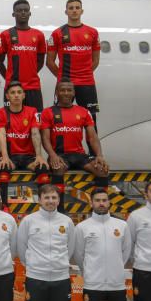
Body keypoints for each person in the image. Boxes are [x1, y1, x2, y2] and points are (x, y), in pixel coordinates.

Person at [40, 80, 109, 208]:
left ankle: (100, 207)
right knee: (58, 168)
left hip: (79, 155)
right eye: (62, 90)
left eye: (69, 90)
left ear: (74, 93)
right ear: (57, 92)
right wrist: (52, 155)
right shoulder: (48, 112)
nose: (66, 93)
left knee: (102, 170)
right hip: (60, 155)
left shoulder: (83, 112)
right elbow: (45, 138)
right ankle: (59, 209)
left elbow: (93, 137)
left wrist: (99, 155)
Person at [0, 82, 49, 203]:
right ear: (7, 96)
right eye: (13, 93)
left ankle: (43, 204)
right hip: (11, 156)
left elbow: (35, 134)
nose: (16, 95)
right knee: (3, 167)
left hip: (29, 157)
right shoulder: (0, 112)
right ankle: (4, 205)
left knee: (42, 167)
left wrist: (39, 156)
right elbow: (1, 135)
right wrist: (4, 156)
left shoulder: (32, 111)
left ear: (24, 95)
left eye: (19, 92)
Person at [47, 0, 100, 120]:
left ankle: (91, 140)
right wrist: (62, 77)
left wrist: (84, 74)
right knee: (60, 120)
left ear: (82, 11)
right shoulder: (57, 33)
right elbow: (49, 62)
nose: (74, 10)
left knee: (91, 120)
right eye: (71, 8)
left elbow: (96, 60)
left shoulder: (92, 32)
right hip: (64, 84)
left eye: (77, 8)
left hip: (87, 83)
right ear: (66, 12)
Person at [0, 0, 47, 112]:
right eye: (19, 10)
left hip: (33, 87)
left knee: (36, 121)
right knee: (11, 122)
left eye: (26, 10)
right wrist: (9, 78)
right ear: (13, 14)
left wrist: (31, 74)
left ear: (30, 13)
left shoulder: (38, 35)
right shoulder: (5, 35)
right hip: (12, 88)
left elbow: (40, 61)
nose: (23, 13)